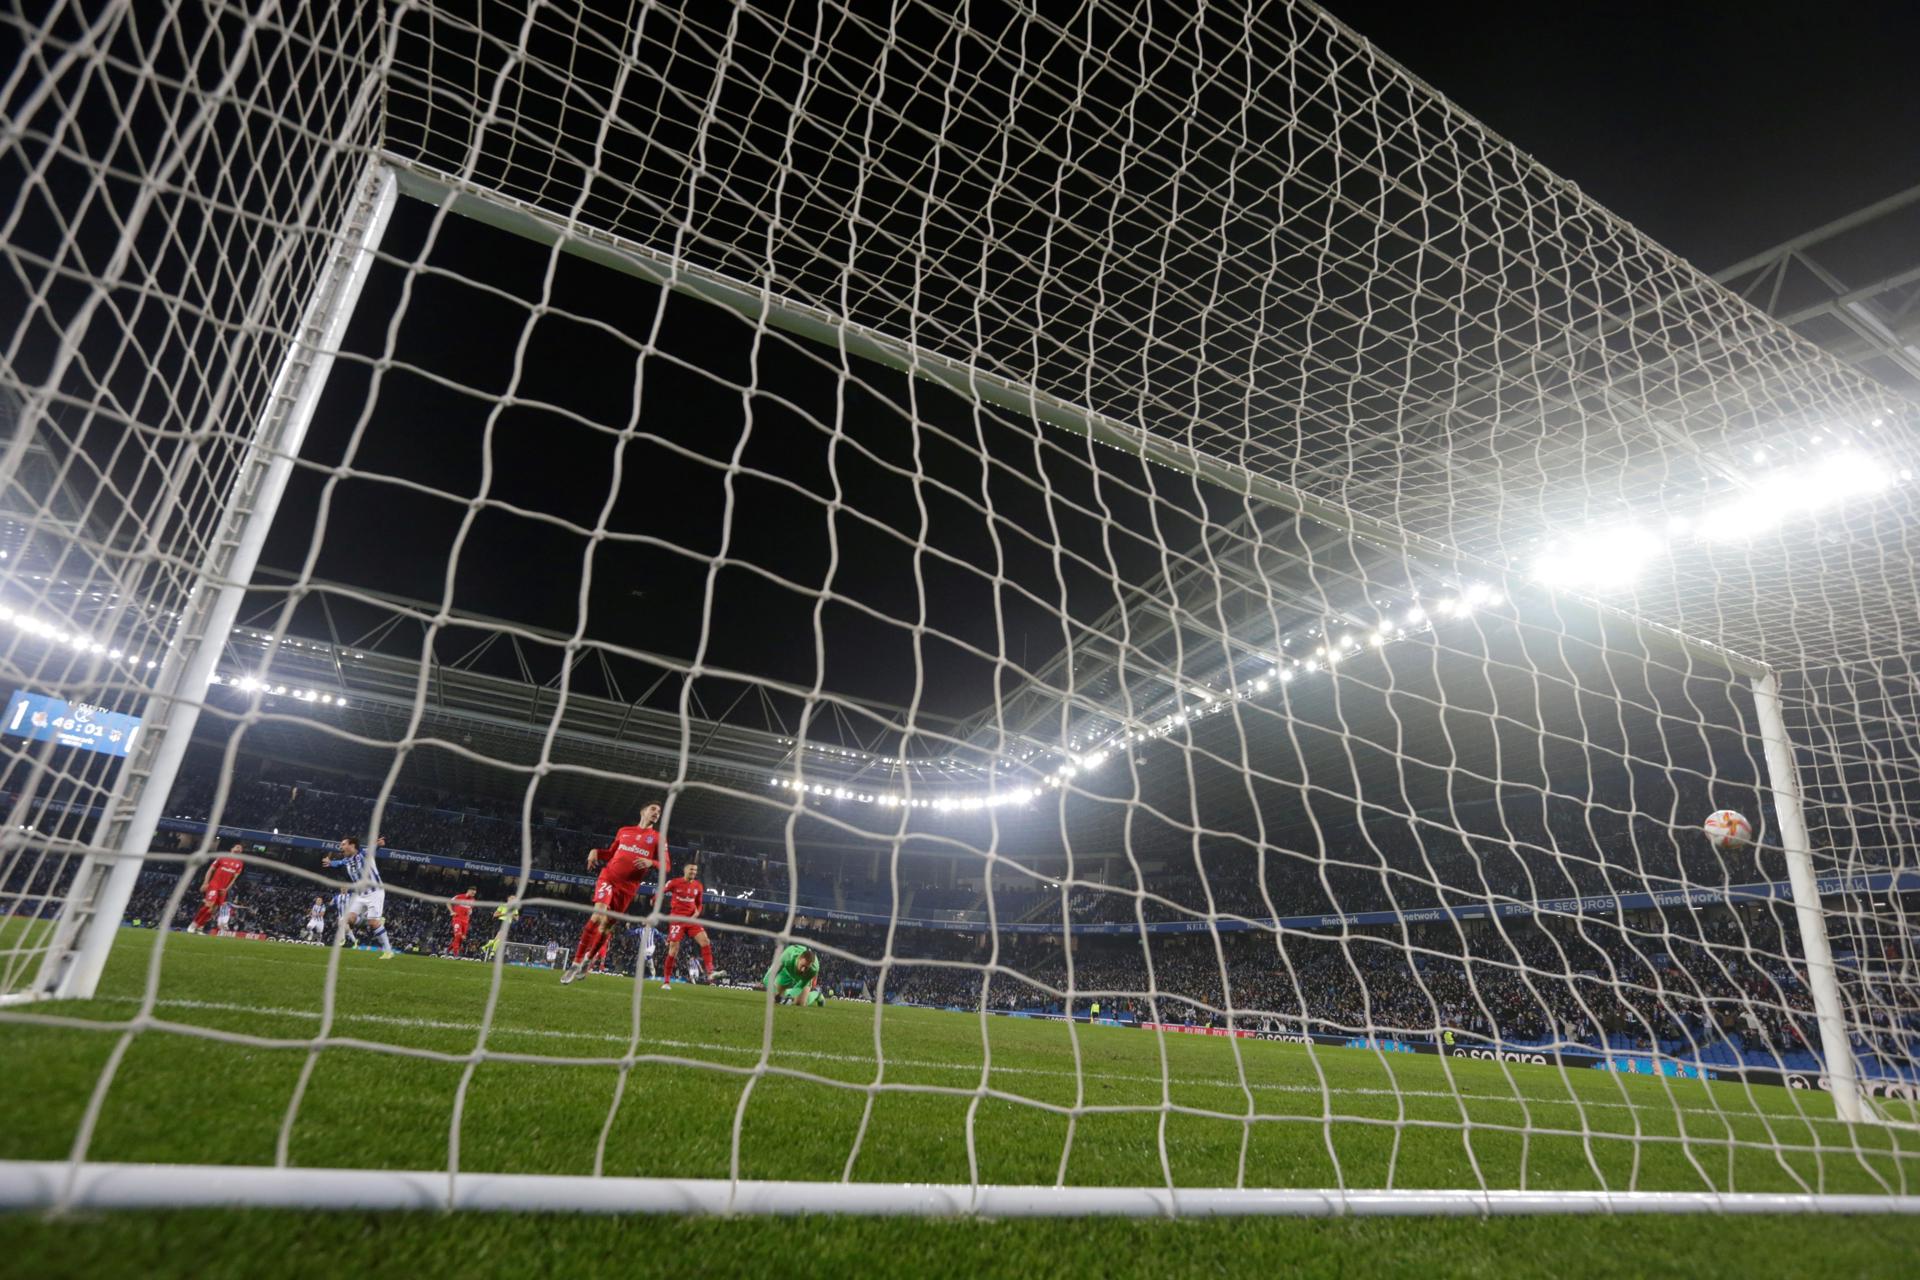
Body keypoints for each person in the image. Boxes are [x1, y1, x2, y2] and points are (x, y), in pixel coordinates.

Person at [563, 802, 667, 986]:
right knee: (597, 915)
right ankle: (575, 963)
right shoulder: (624, 831)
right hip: (608, 878)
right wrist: (595, 851)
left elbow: (666, 865)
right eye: (653, 809)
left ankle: (589, 959)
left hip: (627, 889)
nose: (656, 813)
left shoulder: (658, 838)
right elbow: (611, 853)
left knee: (606, 927)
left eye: (659, 812)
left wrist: (652, 862)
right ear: (643, 811)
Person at [321, 835, 395, 959]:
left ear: (352, 845)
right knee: (347, 920)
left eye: (343, 844)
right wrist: (330, 863)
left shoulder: (364, 854)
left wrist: (379, 844)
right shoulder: (347, 860)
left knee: (373, 923)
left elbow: (373, 849)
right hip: (360, 894)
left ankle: (388, 951)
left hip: (374, 892)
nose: (341, 847)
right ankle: (370, 919)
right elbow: (339, 863)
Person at [659, 861, 717, 991]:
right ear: (685, 870)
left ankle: (710, 972)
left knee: (705, 941)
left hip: (691, 920)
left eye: (695, 871)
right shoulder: (674, 882)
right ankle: (666, 981)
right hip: (677, 919)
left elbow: (699, 904)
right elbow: (661, 891)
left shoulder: (698, 886)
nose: (693, 873)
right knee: (673, 949)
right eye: (691, 870)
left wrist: (697, 912)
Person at [186, 844, 245, 934]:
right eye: (237, 847)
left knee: (212, 910)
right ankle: (193, 925)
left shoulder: (240, 864)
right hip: (214, 885)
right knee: (209, 904)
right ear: (231, 849)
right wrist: (205, 883)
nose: (239, 849)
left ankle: (199, 928)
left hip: (223, 889)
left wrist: (226, 889)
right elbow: (210, 870)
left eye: (240, 848)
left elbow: (234, 879)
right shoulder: (222, 857)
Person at [766, 942, 824, 1007]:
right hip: (787, 971)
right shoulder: (787, 956)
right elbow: (767, 977)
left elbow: (800, 986)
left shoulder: (813, 969)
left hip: (803, 978)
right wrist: (774, 992)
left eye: (806, 967)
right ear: (799, 958)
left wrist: (790, 996)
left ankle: (817, 994)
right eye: (802, 965)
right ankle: (783, 994)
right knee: (776, 998)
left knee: (799, 1003)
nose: (803, 969)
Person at [447, 887, 477, 957]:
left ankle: (448, 951)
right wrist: (451, 911)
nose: (473, 894)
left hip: (466, 921)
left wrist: (470, 912)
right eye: (472, 893)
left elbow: (470, 909)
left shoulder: (473, 900)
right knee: (458, 935)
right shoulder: (459, 897)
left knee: (461, 938)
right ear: (469, 891)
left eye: (474, 894)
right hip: (457, 919)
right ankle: (456, 954)